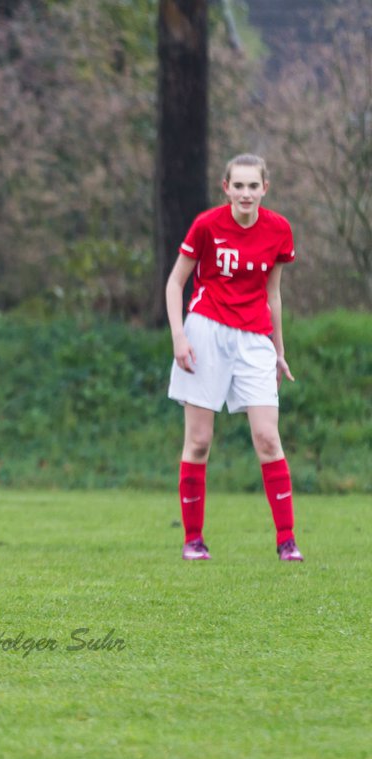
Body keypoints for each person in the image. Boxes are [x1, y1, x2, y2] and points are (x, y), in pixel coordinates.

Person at [165, 153, 302, 562]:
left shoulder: (279, 229)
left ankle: (287, 540)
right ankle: (193, 540)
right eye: (238, 185)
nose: (246, 193)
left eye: (253, 186)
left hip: (254, 339)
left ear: (265, 188)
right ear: (226, 188)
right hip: (205, 331)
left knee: (267, 438)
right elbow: (176, 282)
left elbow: (272, 293)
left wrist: (278, 350)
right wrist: (178, 336)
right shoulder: (207, 225)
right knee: (200, 440)